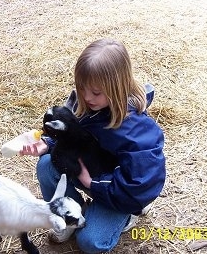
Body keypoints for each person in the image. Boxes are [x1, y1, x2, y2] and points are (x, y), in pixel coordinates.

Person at [20, 38, 166, 253]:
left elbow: (139, 183)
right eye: (82, 88)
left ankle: (129, 216)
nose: (86, 97)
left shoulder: (138, 133)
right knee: (46, 164)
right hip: (92, 174)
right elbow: (75, 138)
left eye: (96, 92)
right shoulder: (87, 103)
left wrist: (92, 183)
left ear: (117, 87)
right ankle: (68, 215)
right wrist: (48, 144)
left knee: (91, 242)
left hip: (117, 191)